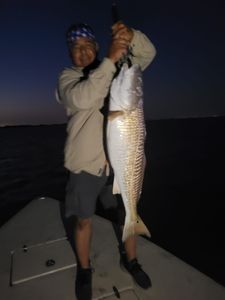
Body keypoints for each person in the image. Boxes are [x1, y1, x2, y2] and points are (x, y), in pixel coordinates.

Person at [56, 21, 156, 300]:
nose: (83, 52)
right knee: (84, 220)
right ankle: (85, 269)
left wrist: (132, 36)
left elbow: (145, 56)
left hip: (118, 163)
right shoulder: (68, 78)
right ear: (69, 53)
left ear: (97, 48)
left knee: (128, 213)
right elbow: (84, 98)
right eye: (76, 48)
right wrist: (111, 61)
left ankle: (132, 260)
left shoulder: (114, 73)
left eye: (88, 46)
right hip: (86, 165)